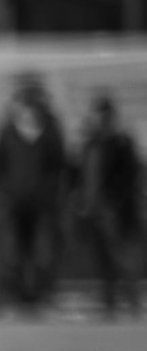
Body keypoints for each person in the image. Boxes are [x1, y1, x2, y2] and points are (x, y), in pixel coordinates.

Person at [0, 77, 67, 313]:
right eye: (24, 100)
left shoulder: (50, 129)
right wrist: (3, 193)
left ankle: (42, 294)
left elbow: (59, 165)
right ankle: (16, 295)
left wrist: (51, 192)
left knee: (43, 251)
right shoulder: (7, 129)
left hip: (43, 204)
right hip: (13, 203)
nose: (29, 105)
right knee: (12, 251)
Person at [72, 92, 137, 319]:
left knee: (122, 256)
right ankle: (108, 301)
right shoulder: (90, 144)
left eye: (103, 114)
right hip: (92, 210)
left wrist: (114, 204)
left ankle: (132, 301)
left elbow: (128, 178)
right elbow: (80, 175)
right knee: (101, 257)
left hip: (114, 210)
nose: (99, 119)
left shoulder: (122, 143)